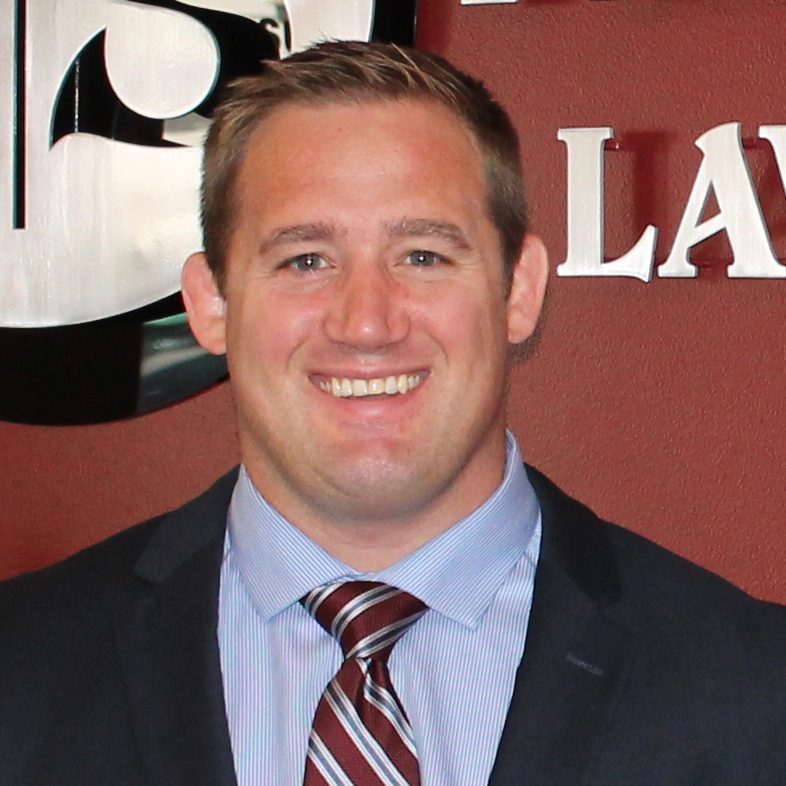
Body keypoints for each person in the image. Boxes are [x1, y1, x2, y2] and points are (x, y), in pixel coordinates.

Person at [2, 41, 786, 786]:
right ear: (210, 302)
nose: (367, 323)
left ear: (519, 291)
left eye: (423, 256)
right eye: (306, 259)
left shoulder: (753, 691)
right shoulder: (23, 669)